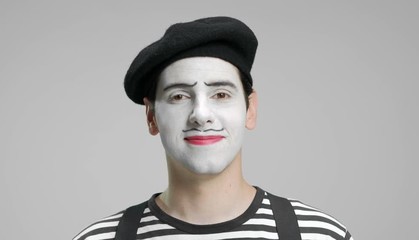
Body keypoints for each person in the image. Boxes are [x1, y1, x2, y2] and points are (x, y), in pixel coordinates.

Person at [73, 16, 353, 240]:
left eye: (220, 94)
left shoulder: (321, 235)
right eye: (179, 96)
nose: (201, 115)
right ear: (151, 117)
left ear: (250, 109)